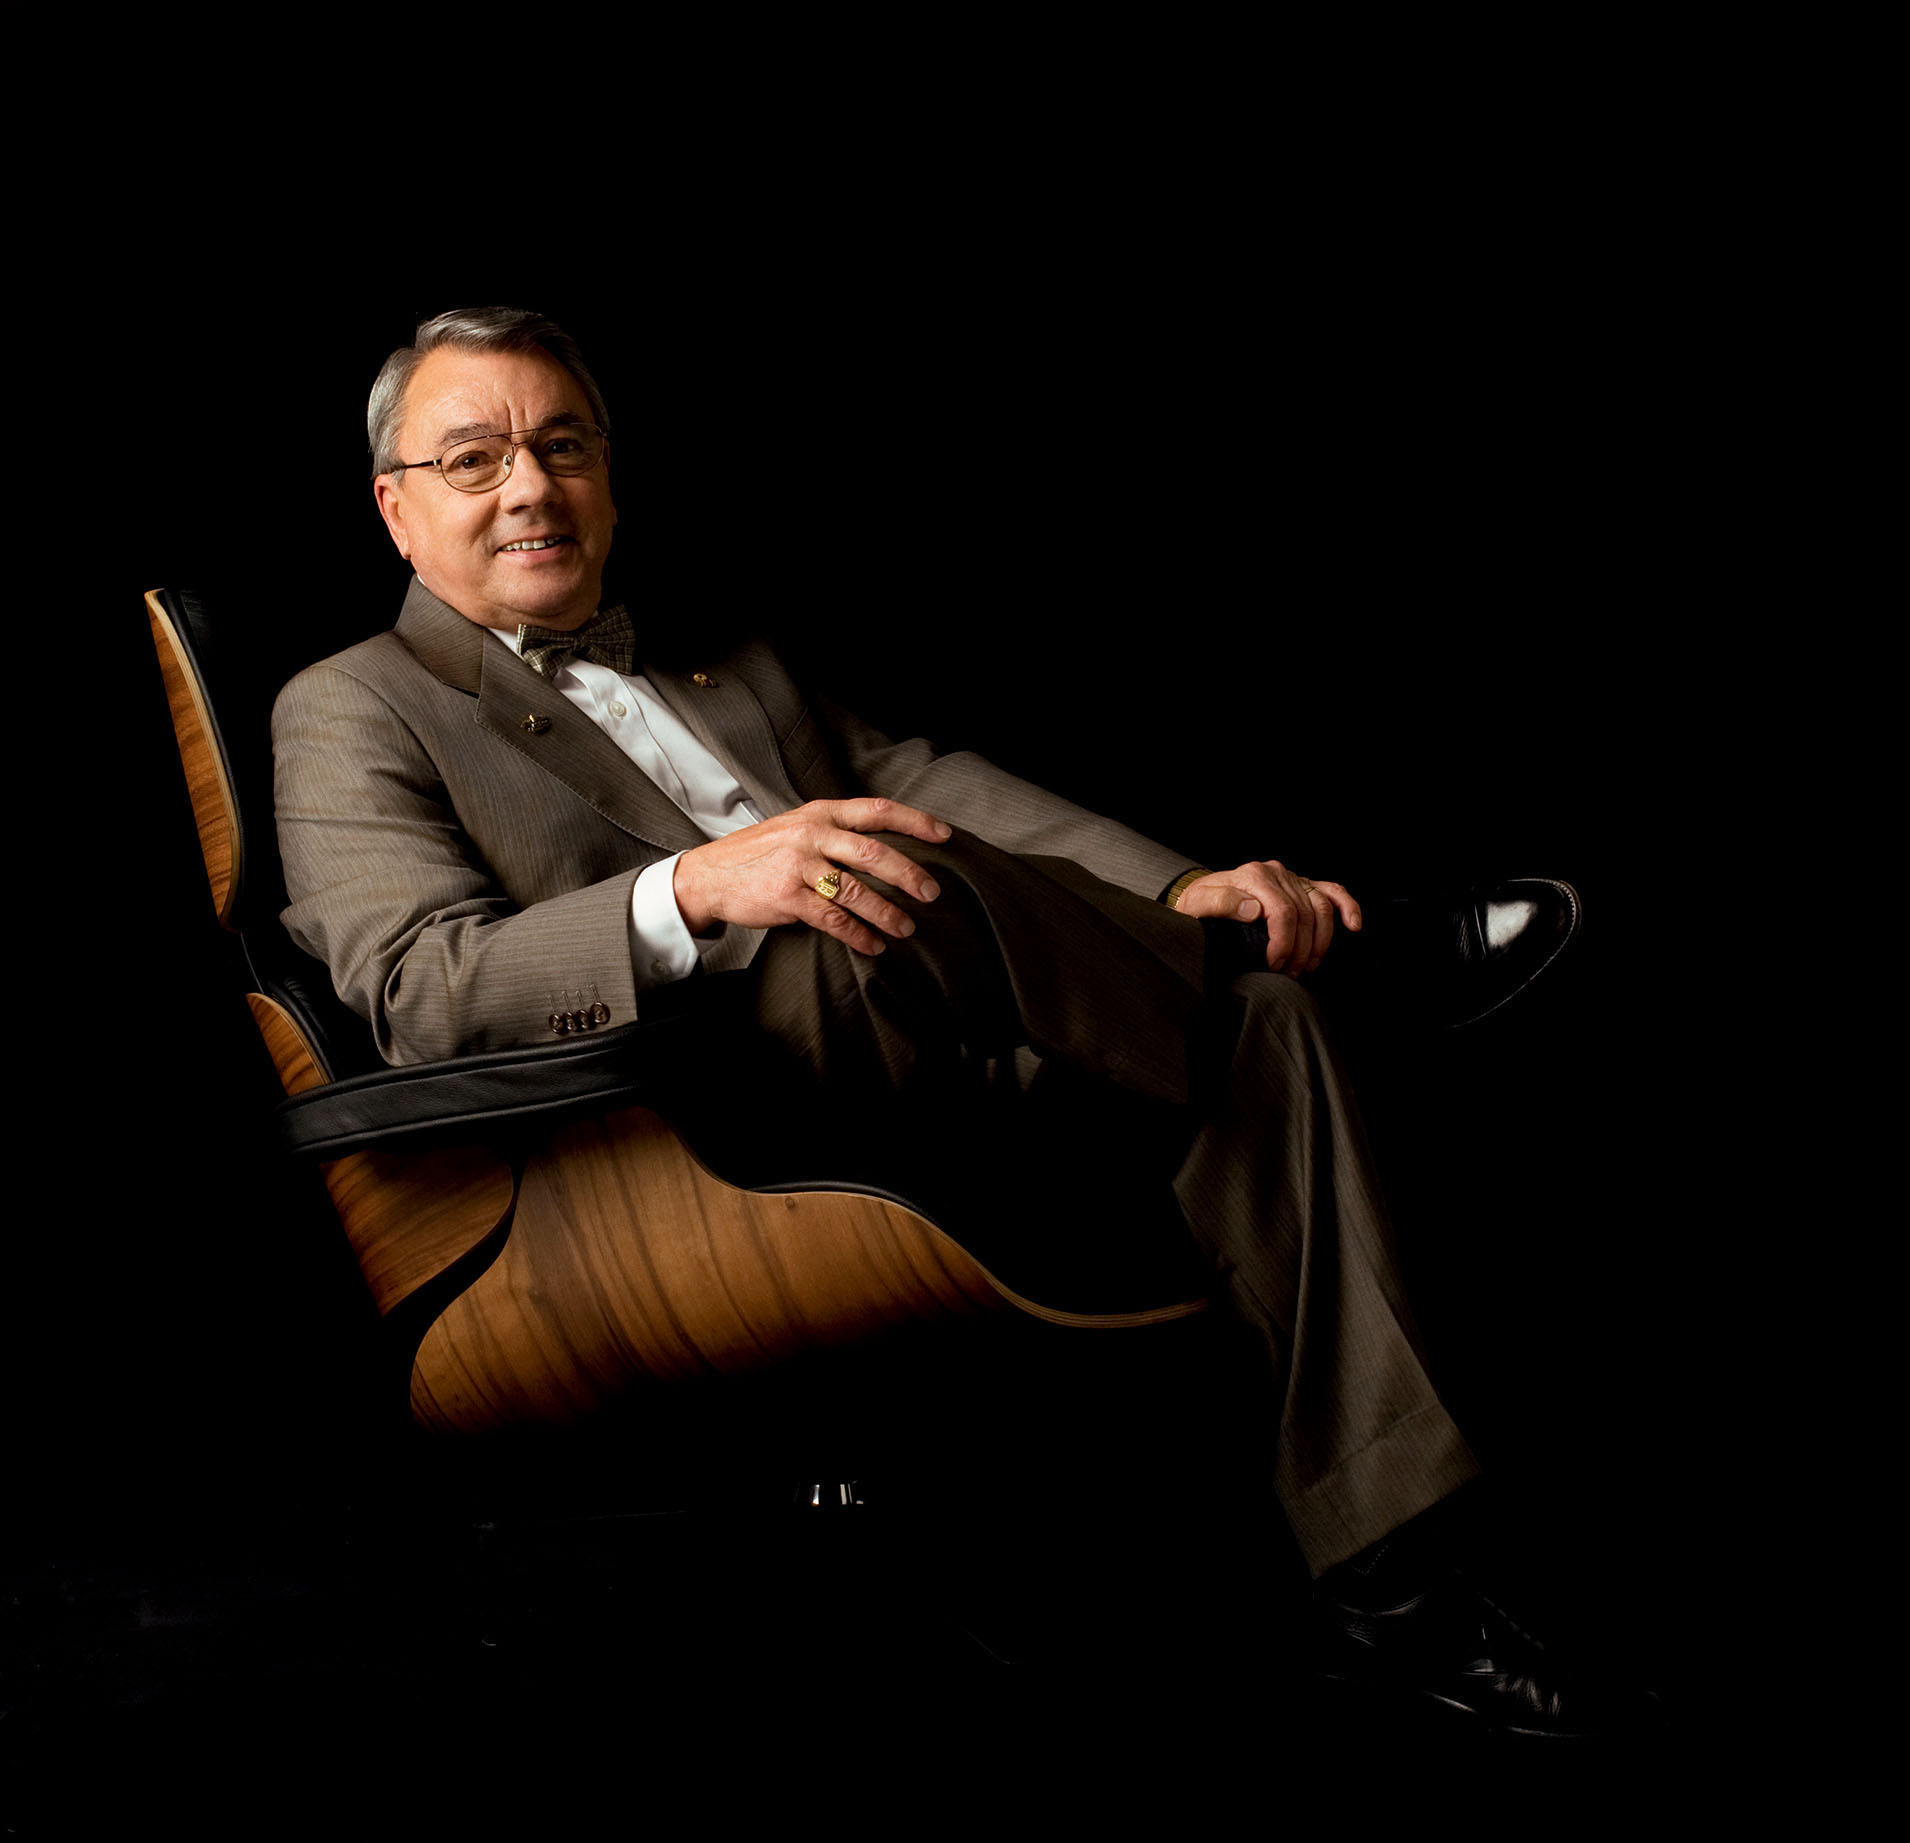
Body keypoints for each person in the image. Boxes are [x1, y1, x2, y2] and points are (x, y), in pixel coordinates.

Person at [272, 306, 1657, 1740]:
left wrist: (1180, 886)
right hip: (699, 1129)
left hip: (960, 1015)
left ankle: (1395, 1576)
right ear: (395, 506)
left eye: (563, 446)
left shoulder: (717, 654)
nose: (529, 486)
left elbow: (934, 783)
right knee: (877, 872)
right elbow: (417, 987)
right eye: (474, 457)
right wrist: (696, 887)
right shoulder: (349, 703)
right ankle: (1366, 974)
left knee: (1265, 1031)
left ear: (608, 478)